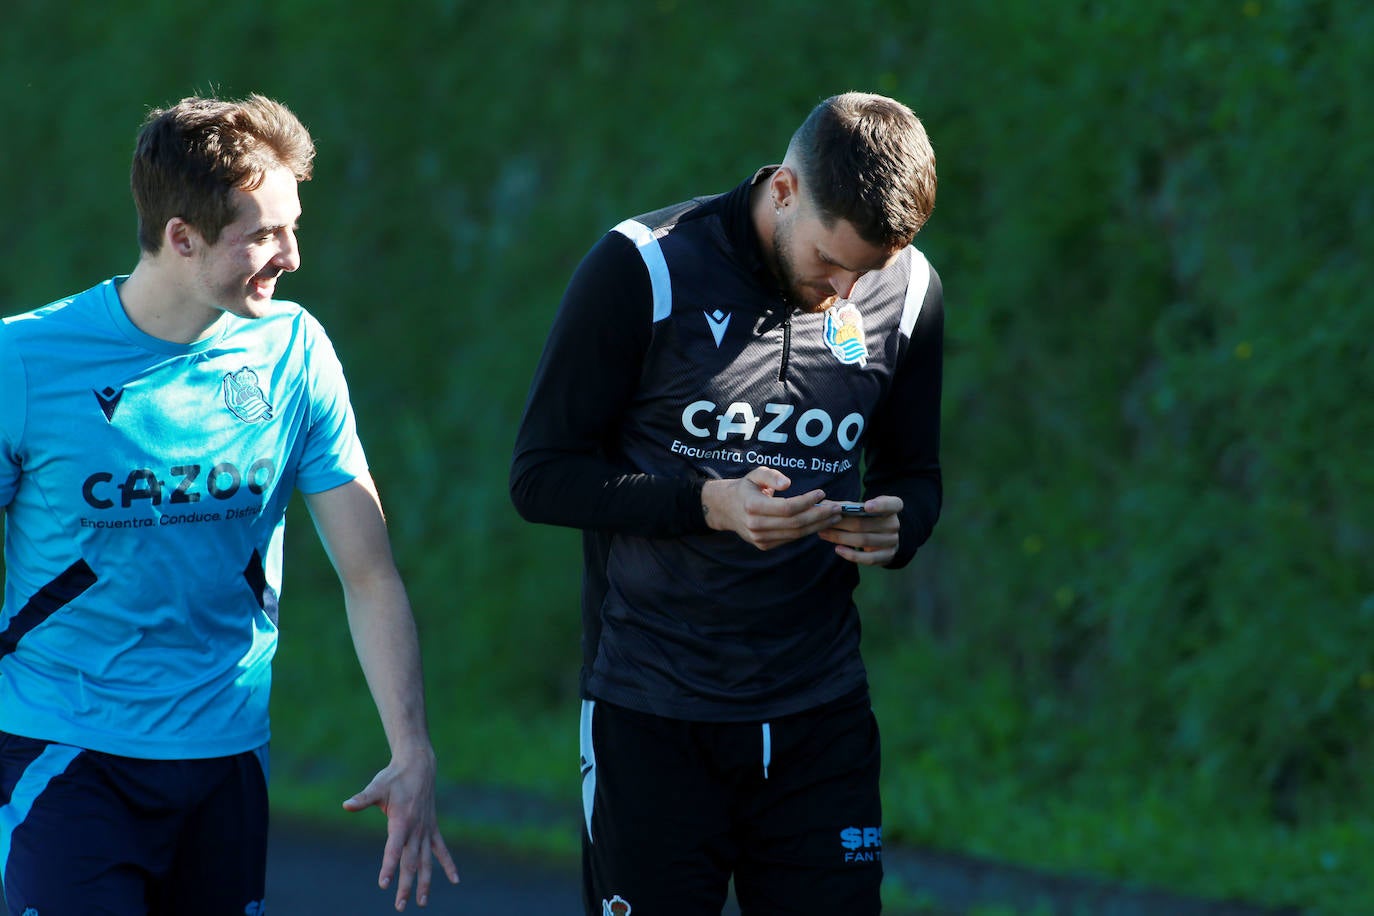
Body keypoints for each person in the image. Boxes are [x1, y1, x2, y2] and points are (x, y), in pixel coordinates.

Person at [0, 94, 458, 914]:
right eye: (264, 235)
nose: (292, 256)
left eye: (293, 227)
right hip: (64, 759)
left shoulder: (295, 350)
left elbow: (369, 573)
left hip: (227, 761)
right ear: (182, 237)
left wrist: (412, 747)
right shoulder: (24, 362)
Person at [510, 91, 943, 915]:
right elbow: (540, 477)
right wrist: (707, 504)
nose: (846, 289)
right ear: (783, 190)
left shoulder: (913, 290)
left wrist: (900, 525)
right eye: (829, 261)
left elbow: (916, 472)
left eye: (869, 270)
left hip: (820, 716)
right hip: (652, 710)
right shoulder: (644, 266)